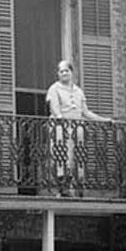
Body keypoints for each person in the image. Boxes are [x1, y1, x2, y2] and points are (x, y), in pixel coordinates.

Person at [45, 60, 105, 196]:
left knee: (76, 156)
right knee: (61, 156)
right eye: (61, 71)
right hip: (60, 128)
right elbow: (54, 108)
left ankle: (78, 185)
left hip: (77, 128)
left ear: (72, 72)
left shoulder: (78, 91)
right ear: (58, 74)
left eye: (67, 70)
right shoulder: (54, 88)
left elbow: (86, 112)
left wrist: (104, 120)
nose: (64, 73)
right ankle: (62, 187)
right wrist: (61, 119)